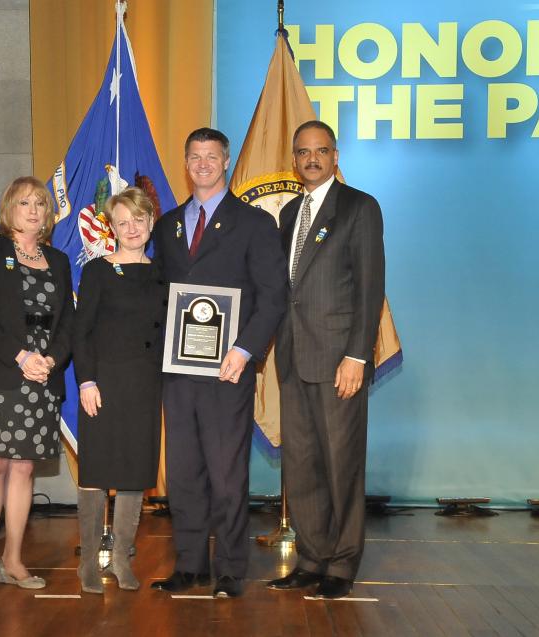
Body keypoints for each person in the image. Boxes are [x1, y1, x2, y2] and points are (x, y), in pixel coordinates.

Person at [151, 128, 288, 598]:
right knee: (185, 472)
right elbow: (161, 295)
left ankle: (230, 568)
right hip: (178, 371)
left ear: (226, 161)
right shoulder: (166, 225)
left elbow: (273, 297)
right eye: (195, 156)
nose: (203, 164)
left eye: (212, 156)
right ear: (185, 162)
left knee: (227, 474)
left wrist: (245, 349)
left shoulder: (253, 223)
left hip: (228, 369)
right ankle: (190, 565)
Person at [266, 120, 385, 599]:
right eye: (302, 152)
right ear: (293, 160)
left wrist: (357, 354)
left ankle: (341, 563)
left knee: (341, 465)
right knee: (302, 466)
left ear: (336, 156)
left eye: (321, 151)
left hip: (340, 361)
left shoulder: (359, 207)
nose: (311, 159)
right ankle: (312, 558)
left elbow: (370, 288)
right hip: (294, 358)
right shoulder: (289, 212)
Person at [0, 176, 74, 595]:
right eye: (24, 203)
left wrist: (50, 359)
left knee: (23, 469)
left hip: (41, 376)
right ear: (9, 210)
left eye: (40, 203)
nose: (34, 210)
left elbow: (68, 324)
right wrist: (20, 356)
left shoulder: (58, 261)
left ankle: (14, 560)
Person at [72, 187, 167, 594]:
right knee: (95, 471)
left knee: (134, 473)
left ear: (150, 223)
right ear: (111, 227)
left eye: (138, 220)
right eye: (123, 221)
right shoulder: (97, 271)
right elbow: (81, 332)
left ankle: (122, 560)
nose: (132, 228)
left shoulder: (164, 272)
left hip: (146, 385)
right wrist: (86, 380)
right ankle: (89, 564)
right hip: (103, 384)